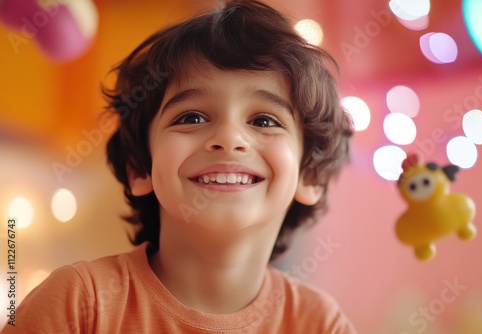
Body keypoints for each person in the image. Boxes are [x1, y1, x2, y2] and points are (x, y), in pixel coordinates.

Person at [2, 0, 355, 332]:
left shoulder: (320, 324)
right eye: (192, 117)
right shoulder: (78, 303)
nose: (229, 138)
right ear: (140, 167)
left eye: (264, 121)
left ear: (310, 174)